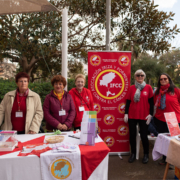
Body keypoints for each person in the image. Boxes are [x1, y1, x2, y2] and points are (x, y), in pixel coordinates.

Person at [124, 69, 154, 164]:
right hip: (132, 115)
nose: (140, 77)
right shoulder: (132, 88)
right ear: (135, 77)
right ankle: (133, 154)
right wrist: (126, 113)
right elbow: (128, 101)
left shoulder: (148, 87)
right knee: (132, 135)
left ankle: (146, 154)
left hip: (144, 116)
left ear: (144, 76)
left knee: (144, 136)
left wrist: (151, 114)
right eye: (138, 75)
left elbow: (151, 102)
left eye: (141, 75)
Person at [154, 73, 180, 165]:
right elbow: (155, 104)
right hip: (160, 119)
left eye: (165, 78)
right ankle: (165, 160)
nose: (163, 80)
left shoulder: (175, 90)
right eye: (161, 79)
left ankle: (174, 161)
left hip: (173, 119)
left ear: (169, 79)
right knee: (164, 141)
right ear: (159, 81)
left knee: (174, 141)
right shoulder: (157, 91)